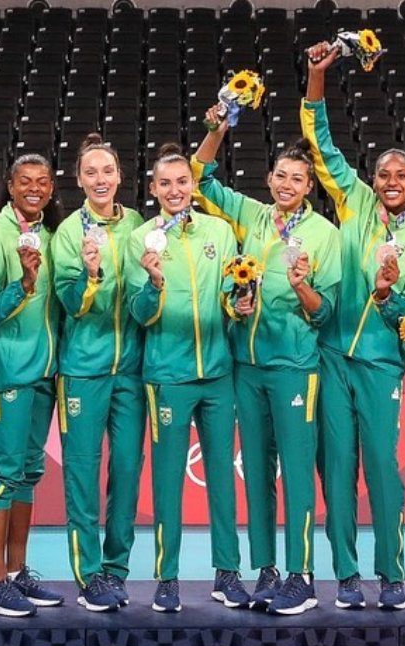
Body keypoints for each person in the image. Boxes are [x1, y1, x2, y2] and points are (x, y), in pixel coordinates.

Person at [302, 40, 405, 611]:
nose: (390, 180)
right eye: (383, 171)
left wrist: (389, 297)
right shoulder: (354, 201)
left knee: (383, 471)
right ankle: (347, 577)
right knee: (337, 473)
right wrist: (316, 79)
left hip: (382, 364)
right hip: (333, 358)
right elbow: (320, 145)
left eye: (401, 174)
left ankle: (392, 574)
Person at [192, 107, 342, 615]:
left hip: (296, 367)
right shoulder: (251, 215)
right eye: (280, 175)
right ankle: (267, 570)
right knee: (256, 471)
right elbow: (199, 176)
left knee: (298, 471)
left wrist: (302, 287)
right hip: (245, 366)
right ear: (269, 178)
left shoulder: (325, 234)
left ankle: (302, 574)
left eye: (297, 178)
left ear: (308, 187)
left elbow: (327, 314)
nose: (287, 183)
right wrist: (218, 128)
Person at [126, 143, 243, 614]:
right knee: (168, 483)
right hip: (167, 377)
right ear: (153, 189)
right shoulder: (143, 239)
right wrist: (153, 284)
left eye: (182, 182)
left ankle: (228, 574)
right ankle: (167, 578)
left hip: (217, 374)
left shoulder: (220, 231)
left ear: (193, 186)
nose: (175, 190)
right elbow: (139, 314)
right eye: (166, 183)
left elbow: (230, 297)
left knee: (222, 480)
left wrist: (240, 305)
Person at [0, 153, 67, 617]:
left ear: (51, 188)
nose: (35, 188)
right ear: (9, 186)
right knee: (6, 472)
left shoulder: (51, 233)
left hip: (44, 374)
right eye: (25, 181)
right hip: (9, 372)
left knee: (29, 473)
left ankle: (18, 571)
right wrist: (23, 286)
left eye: (43, 182)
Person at [51, 134, 147, 612]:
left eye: (107, 170)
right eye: (90, 172)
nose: (100, 179)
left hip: (129, 371)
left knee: (127, 470)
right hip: (83, 372)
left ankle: (117, 569)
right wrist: (90, 276)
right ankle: (89, 574)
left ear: (120, 176)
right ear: (79, 179)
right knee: (83, 476)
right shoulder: (70, 231)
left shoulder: (139, 226)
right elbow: (69, 302)